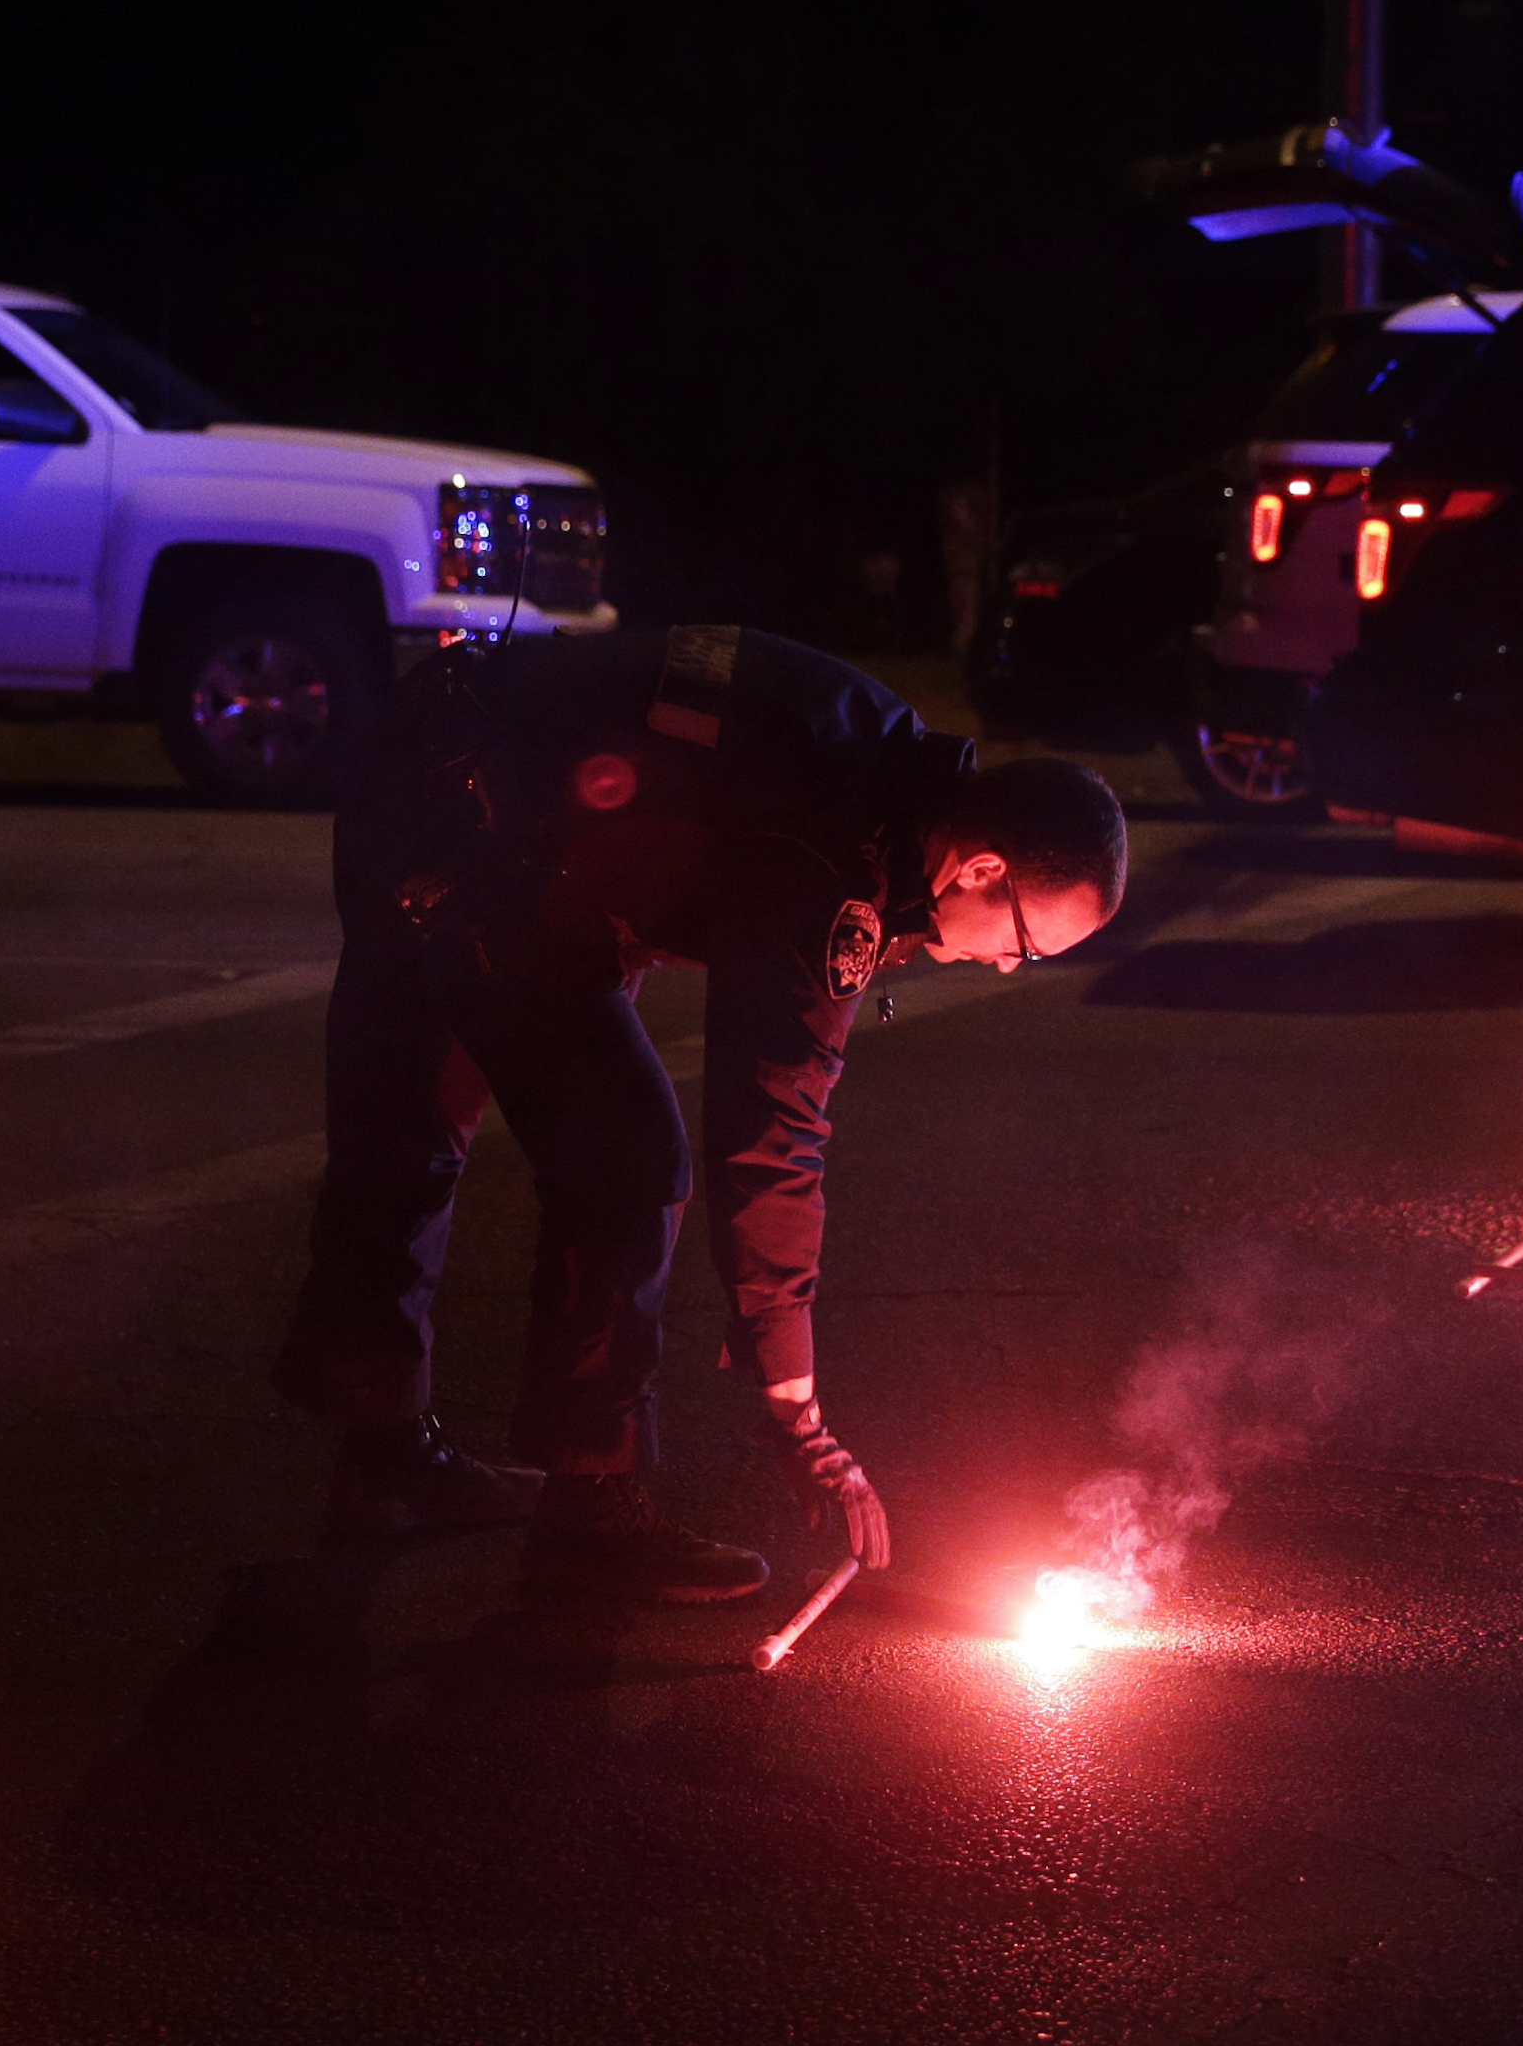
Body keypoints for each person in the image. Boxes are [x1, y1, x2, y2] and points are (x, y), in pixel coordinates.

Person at [275, 624, 1131, 1601]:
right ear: (979, 867)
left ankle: (384, 1459)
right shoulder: (828, 842)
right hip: (462, 819)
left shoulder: (888, 775)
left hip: (472, 777)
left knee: (423, 1112)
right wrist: (794, 1404)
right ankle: (587, 1512)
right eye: (1026, 941)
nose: (1009, 965)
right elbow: (772, 1131)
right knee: (622, 1157)